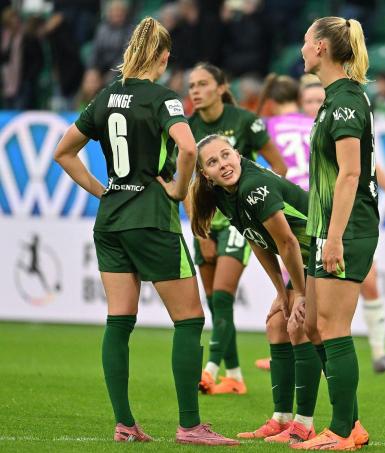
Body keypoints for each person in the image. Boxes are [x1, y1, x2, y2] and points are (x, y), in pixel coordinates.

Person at [53, 17, 237, 446]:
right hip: (151, 218)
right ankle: (190, 426)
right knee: (190, 319)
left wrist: (104, 191)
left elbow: (64, 152)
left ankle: (125, 423)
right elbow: (189, 148)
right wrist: (176, 187)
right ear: (164, 57)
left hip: (111, 219)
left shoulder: (104, 98)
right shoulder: (163, 99)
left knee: (119, 321)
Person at [255, 73, 385, 375]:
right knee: (301, 302)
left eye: (318, 100)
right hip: (304, 219)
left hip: (341, 218)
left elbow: (366, 167)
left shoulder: (334, 125)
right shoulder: (308, 130)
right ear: (301, 104)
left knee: (363, 284)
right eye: (309, 101)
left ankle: (378, 354)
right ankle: (293, 356)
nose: (315, 104)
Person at [189, 135, 319, 444]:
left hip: (324, 250)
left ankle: (304, 424)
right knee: (276, 325)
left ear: (237, 152)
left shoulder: (252, 187)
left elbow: (287, 242)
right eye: (212, 162)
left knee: (299, 326)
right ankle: (282, 419)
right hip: (304, 257)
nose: (223, 164)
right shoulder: (224, 194)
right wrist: (280, 292)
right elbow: (257, 240)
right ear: (205, 175)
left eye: (225, 155)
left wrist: (298, 293)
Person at [291, 16, 377, 450]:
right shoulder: (332, 100)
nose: (302, 48)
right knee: (313, 329)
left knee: (332, 325)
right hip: (325, 227)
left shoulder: (346, 101)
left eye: (306, 41)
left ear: (322, 47)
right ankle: (351, 423)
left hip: (347, 228)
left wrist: (336, 236)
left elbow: (350, 174)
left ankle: (343, 430)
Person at [185, 62, 277, 395]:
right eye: (191, 85)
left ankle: (210, 370)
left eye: (202, 83)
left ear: (222, 87)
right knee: (216, 304)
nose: (194, 90)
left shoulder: (246, 122)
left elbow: (277, 166)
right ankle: (235, 376)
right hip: (205, 223)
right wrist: (199, 231)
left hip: (239, 220)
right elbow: (186, 185)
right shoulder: (187, 128)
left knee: (223, 296)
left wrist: (256, 194)